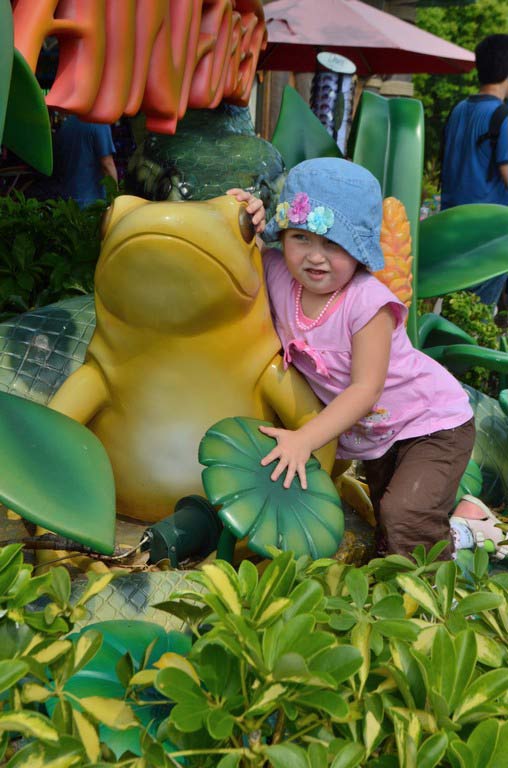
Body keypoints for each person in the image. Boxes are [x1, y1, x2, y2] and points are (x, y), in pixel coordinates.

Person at [228, 158, 506, 561]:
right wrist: (243, 212)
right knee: (389, 531)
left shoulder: (367, 303)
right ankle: (469, 526)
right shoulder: (276, 272)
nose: (315, 257)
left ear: (359, 251)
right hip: (378, 436)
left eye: (333, 244)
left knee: (404, 519)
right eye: (301, 238)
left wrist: (306, 439)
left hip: (431, 424)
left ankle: (428, 606)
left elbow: (365, 388)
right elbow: (235, 246)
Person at [440, 33, 508, 307]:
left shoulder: (458, 110)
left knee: (456, 308)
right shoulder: (502, 117)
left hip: (451, 227)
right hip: (487, 235)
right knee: (477, 316)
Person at [53, 115, 118, 208]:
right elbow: (107, 165)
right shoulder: (99, 123)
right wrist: (117, 199)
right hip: (92, 204)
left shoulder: (66, 124)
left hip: (68, 202)